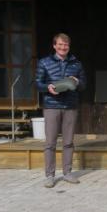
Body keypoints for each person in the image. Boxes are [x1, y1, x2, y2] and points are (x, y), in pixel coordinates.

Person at [34, 33, 86, 188]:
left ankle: (68, 173)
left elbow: (84, 85)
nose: (63, 47)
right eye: (60, 45)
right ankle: (50, 175)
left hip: (70, 106)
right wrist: (47, 87)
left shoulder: (76, 63)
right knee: (50, 143)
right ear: (54, 45)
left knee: (68, 142)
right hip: (51, 105)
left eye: (66, 45)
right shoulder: (44, 62)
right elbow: (37, 83)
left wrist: (78, 82)